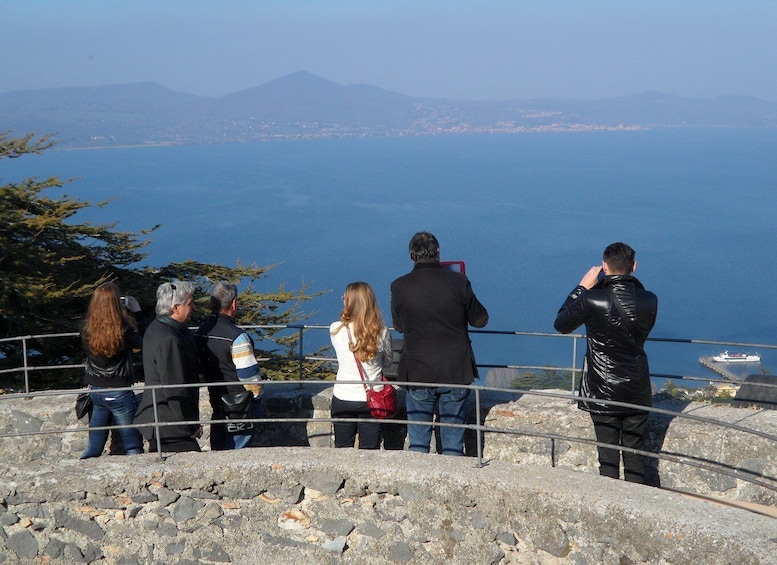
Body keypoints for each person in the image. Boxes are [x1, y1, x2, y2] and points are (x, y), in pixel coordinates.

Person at [554, 242, 658, 484]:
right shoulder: (650, 300)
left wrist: (582, 287)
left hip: (602, 388)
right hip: (636, 387)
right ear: (634, 266)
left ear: (603, 266)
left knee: (607, 458)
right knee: (635, 456)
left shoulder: (592, 299)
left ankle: (611, 504)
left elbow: (561, 324)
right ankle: (638, 507)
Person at [390, 232, 489, 456]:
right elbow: (480, 320)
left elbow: (399, 326)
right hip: (455, 369)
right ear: (438, 252)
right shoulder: (458, 281)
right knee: (454, 443)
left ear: (411, 256)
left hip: (417, 370)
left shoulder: (399, 286)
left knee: (418, 443)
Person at [134, 281, 202, 452]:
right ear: (176, 308)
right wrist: (190, 425)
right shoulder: (169, 339)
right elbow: (175, 389)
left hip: (161, 421)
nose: (193, 307)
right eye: (190, 303)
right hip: (169, 423)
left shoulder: (156, 328)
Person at [79, 283, 145, 459]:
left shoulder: (85, 328)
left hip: (96, 390)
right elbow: (144, 343)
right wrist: (137, 312)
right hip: (120, 390)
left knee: (93, 447)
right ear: (117, 303)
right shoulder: (124, 330)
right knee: (133, 446)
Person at [196, 282, 264, 451]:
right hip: (239, 405)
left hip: (217, 400)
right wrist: (257, 396)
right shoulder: (237, 337)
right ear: (233, 304)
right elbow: (249, 376)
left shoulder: (201, 332)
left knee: (218, 449)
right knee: (238, 451)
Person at [330, 282, 393, 450]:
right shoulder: (382, 331)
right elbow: (388, 362)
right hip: (372, 398)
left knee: (342, 447)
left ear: (349, 302)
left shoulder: (335, 329)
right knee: (370, 450)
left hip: (343, 396)